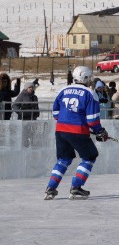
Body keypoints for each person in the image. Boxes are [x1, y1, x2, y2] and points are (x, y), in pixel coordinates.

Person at [44, 66, 108, 200]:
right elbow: (92, 119)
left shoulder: (63, 90)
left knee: (63, 159)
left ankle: (50, 188)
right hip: (77, 131)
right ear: (85, 77)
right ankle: (76, 187)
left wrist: (68, 121)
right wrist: (99, 131)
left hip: (61, 130)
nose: (91, 80)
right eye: (89, 77)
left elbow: (56, 113)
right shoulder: (90, 93)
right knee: (90, 156)